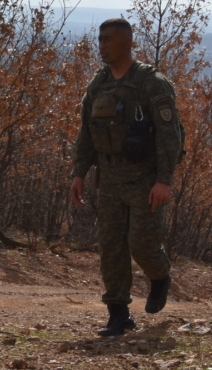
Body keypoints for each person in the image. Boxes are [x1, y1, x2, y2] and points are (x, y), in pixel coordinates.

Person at [69, 18, 184, 336]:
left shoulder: (151, 83)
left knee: (143, 245)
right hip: (109, 180)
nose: (102, 45)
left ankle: (160, 276)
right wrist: (79, 172)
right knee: (111, 247)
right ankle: (118, 315)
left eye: (108, 40)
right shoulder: (98, 84)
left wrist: (164, 179)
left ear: (127, 43)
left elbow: (169, 134)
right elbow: (87, 133)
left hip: (145, 180)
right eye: (100, 39)